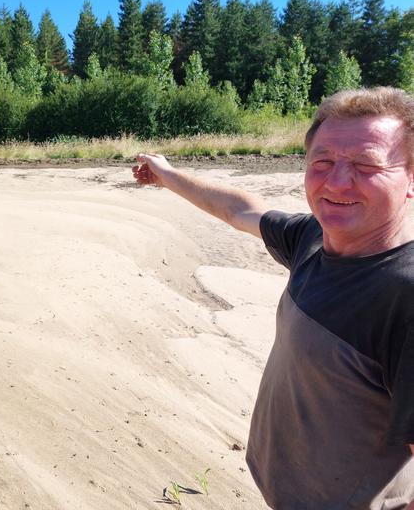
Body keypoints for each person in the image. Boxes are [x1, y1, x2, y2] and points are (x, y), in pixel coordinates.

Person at [132, 86, 414, 509]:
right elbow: (238, 209)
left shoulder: (403, 295)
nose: (337, 181)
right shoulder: (313, 238)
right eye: (322, 162)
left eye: (365, 164)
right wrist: (166, 174)